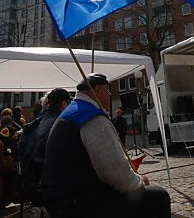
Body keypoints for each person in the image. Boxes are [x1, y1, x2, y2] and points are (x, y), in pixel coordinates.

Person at [39, 73, 171, 218]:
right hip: (76, 203)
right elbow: (114, 171)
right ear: (97, 90)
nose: (109, 94)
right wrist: (138, 181)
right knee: (159, 196)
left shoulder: (72, 112)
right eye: (108, 90)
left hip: (59, 198)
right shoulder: (91, 117)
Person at [20, 88, 71, 203]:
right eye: (69, 103)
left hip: (31, 183)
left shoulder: (34, 123)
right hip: (48, 187)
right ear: (63, 104)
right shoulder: (59, 123)